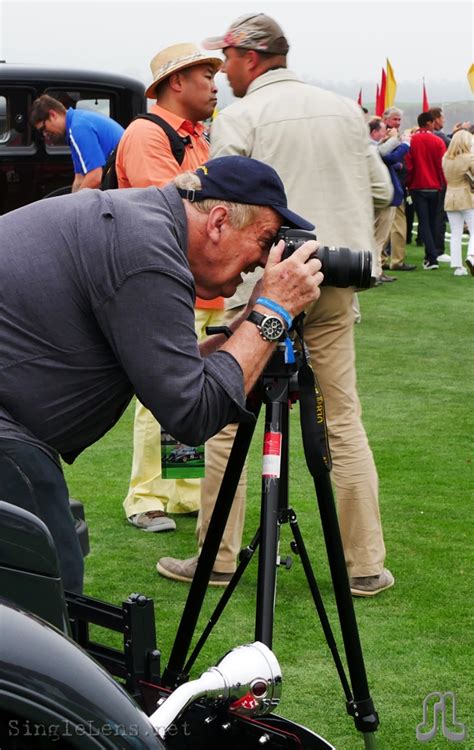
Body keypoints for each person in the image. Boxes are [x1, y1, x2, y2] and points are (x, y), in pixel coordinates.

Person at [0, 154, 323, 594]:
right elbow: (190, 415)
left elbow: (175, 371)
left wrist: (249, 321)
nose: (264, 262)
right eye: (265, 241)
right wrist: (273, 314)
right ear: (219, 221)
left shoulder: (143, 225)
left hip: (14, 420)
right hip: (9, 431)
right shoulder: (148, 252)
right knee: (45, 580)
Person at [157, 13, 395, 597]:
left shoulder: (239, 117)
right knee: (340, 417)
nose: (223, 73)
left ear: (251, 57)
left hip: (260, 284)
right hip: (335, 279)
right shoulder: (343, 109)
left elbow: (219, 200)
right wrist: (363, 251)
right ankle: (363, 563)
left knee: (223, 413)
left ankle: (216, 557)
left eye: (227, 59)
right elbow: (384, 192)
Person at [115, 43, 226, 533]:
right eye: (207, 74)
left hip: (199, 288)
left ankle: (181, 493)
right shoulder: (145, 133)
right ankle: (145, 498)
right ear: (177, 81)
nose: (216, 84)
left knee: (190, 392)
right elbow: (178, 208)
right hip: (162, 284)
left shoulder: (197, 136)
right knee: (156, 394)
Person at [30, 94, 124, 191]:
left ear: (53, 115)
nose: (45, 134)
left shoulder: (78, 128)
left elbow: (95, 176)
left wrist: (77, 202)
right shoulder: (74, 124)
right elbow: (79, 178)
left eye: (43, 128)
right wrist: (71, 201)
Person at [405, 111, 447, 270]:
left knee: (423, 222)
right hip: (435, 186)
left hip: (417, 186)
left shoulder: (412, 141)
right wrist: (442, 184)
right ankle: (432, 255)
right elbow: (441, 166)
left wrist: (408, 183)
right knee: (433, 221)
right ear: (430, 123)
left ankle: (431, 257)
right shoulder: (438, 141)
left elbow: (409, 165)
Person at [441, 129, 474, 276]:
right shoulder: (470, 158)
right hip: (466, 196)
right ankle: (471, 256)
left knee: (456, 233)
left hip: (450, 196)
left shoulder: (446, 158)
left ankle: (457, 266)